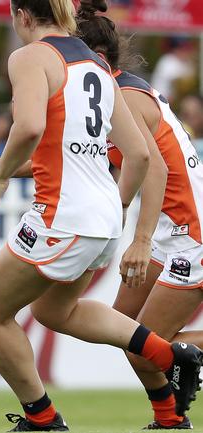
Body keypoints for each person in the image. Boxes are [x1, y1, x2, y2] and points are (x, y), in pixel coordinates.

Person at [0, 0, 203, 431]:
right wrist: (119, 210)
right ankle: (171, 386)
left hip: (70, 217)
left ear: (21, 16)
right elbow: (136, 154)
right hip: (102, 221)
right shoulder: (96, 68)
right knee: (56, 312)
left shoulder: (31, 56)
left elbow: (30, 127)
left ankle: (43, 419)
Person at [76, 0, 203, 428]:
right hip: (173, 231)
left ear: (95, 58)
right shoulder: (111, 95)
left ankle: (170, 418)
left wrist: (139, 238)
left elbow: (155, 167)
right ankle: (170, 418)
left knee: (144, 343)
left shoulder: (124, 97)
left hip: (191, 235)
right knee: (125, 330)